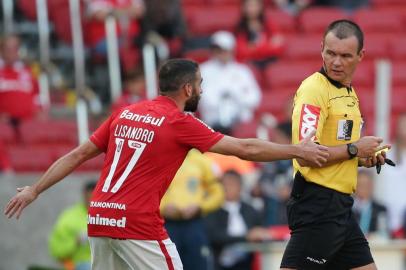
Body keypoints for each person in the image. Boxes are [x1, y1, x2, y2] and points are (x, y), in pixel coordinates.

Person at [4, 59, 329, 270]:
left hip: (100, 216)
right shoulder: (179, 121)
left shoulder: (125, 113)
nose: (202, 89)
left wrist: (35, 189)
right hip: (137, 222)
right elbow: (244, 147)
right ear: (188, 88)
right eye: (200, 84)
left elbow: (76, 155)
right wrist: (296, 151)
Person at [280, 20, 391, 270]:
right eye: (330, 53)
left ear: (361, 56)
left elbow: (336, 149)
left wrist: (364, 157)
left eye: (345, 55)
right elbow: (306, 154)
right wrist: (354, 149)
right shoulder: (313, 90)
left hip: (340, 206)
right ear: (321, 48)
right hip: (317, 205)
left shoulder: (348, 93)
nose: (336, 62)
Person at [160, 148, 224, 270]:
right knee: (166, 265)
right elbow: (147, 191)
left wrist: (200, 207)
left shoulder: (203, 161)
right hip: (166, 224)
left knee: (198, 264)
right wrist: (163, 208)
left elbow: (218, 193)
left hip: (194, 224)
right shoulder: (159, 158)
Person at [199, 31, 262, 134]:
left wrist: (236, 97)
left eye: (225, 50)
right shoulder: (203, 70)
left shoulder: (243, 71)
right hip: (212, 123)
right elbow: (203, 99)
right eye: (218, 50)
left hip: (241, 121)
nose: (222, 53)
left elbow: (255, 97)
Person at [205, 170, 269, 270]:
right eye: (224, 185)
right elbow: (214, 236)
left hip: (248, 262)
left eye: (232, 184)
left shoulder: (250, 210)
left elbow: (260, 232)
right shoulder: (213, 210)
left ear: (240, 187)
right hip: (221, 263)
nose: (227, 188)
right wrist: (246, 237)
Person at [48, 181, 97, 270]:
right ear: (84, 195)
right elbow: (57, 250)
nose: (92, 200)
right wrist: (76, 241)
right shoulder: (69, 218)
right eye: (90, 196)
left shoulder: (110, 217)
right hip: (76, 265)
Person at [235, 0, 285, 68]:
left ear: (261, 7)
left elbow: (279, 48)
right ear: (243, 8)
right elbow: (241, 53)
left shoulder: (269, 25)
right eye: (249, 6)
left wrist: (253, 48)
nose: (252, 9)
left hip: (269, 64)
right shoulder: (239, 28)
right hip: (249, 66)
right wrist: (269, 46)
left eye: (255, 5)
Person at [352, 170, 388, 237]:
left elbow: (384, 234)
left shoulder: (380, 209)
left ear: (372, 186)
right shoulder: (347, 208)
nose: (363, 189)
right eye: (360, 185)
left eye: (366, 185)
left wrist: (372, 236)